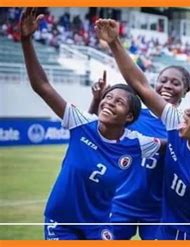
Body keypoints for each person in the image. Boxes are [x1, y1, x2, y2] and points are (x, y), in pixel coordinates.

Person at [94, 18, 190, 240]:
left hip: (184, 226)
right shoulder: (175, 124)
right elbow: (139, 85)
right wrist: (115, 42)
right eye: (163, 81)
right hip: (145, 219)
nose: (185, 117)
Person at [20, 8, 162, 240]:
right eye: (108, 97)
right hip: (62, 223)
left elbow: (173, 144)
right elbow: (42, 87)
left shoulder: (138, 142)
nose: (109, 103)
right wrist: (26, 40)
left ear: (129, 116)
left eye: (118, 102)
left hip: (99, 226)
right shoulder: (81, 123)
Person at [88, 66, 190, 240]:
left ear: (185, 91)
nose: (167, 86)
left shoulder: (185, 125)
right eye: (163, 80)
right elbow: (94, 133)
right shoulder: (132, 116)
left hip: (160, 210)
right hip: (119, 204)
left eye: (175, 83)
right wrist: (96, 101)